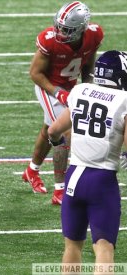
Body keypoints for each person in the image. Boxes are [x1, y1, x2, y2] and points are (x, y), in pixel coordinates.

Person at [48, 50, 127, 270]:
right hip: (101, 180)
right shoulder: (124, 99)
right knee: (103, 248)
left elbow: (54, 130)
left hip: (74, 178)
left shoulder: (80, 91)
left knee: (72, 247)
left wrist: (59, 144)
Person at [21, 1, 103, 205]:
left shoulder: (93, 35)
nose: (60, 32)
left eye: (66, 30)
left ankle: (31, 170)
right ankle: (60, 190)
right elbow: (35, 74)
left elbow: (88, 61)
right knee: (65, 133)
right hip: (48, 86)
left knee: (50, 128)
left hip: (70, 87)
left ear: (81, 29)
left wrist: (88, 86)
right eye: (58, 26)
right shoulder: (49, 40)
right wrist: (59, 93)